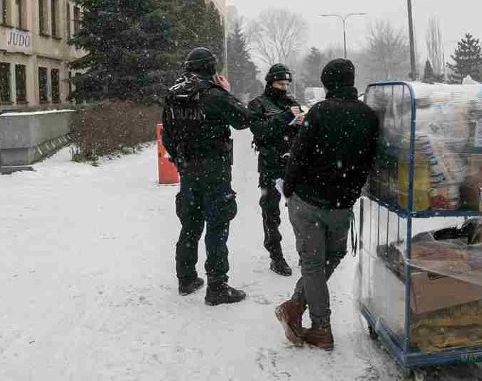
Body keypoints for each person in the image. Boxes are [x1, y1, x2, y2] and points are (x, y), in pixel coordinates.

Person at [274, 58, 380, 350]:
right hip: (342, 205)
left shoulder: (319, 112)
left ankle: (320, 326)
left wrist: (289, 189)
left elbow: (298, 155)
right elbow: (370, 159)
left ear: (327, 84)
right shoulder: (369, 116)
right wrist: (352, 188)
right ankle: (296, 306)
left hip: (308, 200)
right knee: (332, 257)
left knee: (313, 265)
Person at [162, 47, 255, 306]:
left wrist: (181, 159)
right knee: (217, 224)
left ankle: (186, 278)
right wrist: (226, 91)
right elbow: (243, 119)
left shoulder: (172, 95)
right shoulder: (214, 95)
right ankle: (217, 287)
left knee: (190, 224)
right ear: (211, 70)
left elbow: (167, 135)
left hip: (188, 170)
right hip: (215, 169)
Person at [248, 63, 304, 276]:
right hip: (270, 166)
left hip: (293, 165)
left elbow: (303, 132)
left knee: (300, 213)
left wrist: (302, 122)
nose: (284, 87)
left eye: (287, 83)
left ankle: (304, 252)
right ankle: (276, 256)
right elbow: (260, 131)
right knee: (271, 213)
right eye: (280, 83)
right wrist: (285, 118)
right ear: (270, 82)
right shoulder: (258, 104)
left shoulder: (292, 103)